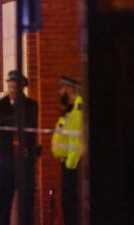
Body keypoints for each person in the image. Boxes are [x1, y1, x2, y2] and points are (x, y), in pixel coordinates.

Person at [0, 70, 38, 225]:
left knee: (26, 203)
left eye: (14, 88)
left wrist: (8, 121)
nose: (11, 91)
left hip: (25, 158)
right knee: (3, 201)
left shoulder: (30, 105)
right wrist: (11, 121)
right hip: (7, 157)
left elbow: (29, 123)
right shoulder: (3, 104)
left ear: (22, 88)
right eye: (9, 87)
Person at [51, 75, 83, 225]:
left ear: (69, 89)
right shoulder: (70, 110)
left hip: (73, 166)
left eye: (62, 88)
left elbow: (77, 142)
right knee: (67, 206)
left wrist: (70, 165)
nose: (60, 92)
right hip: (68, 164)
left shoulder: (77, 110)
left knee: (71, 206)